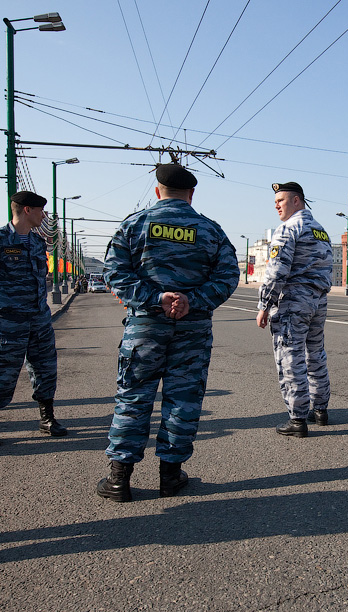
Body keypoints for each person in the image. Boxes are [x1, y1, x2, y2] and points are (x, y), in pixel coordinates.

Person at [97, 164, 239, 502]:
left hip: (144, 326)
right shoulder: (210, 230)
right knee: (184, 399)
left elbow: (113, 272)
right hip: (192, 329)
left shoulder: (135, 224)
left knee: (133, 397)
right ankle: (170, 476)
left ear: (157, 191)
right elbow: (228, 276)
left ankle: (119, 480)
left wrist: (156, 298)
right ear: (191, 194)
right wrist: (192, 300)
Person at [0, 191, 67, 448]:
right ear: (26, 210)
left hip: (39, 320)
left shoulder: (38, 242)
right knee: (1, 371)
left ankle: (47, 419)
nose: (43, 216)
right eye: (41, 211)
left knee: (45, 369)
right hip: (8, 321)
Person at [257, 182, 333, 438]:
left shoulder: (288, 228)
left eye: (281, 200)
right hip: (318, 301)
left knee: (291, 357)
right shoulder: (321, 230)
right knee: (315, 353)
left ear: (297, 201)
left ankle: (297, 418)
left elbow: (276, 270)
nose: (276, 205)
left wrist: (264, 305)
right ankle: (320, 409)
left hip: (293, 300)